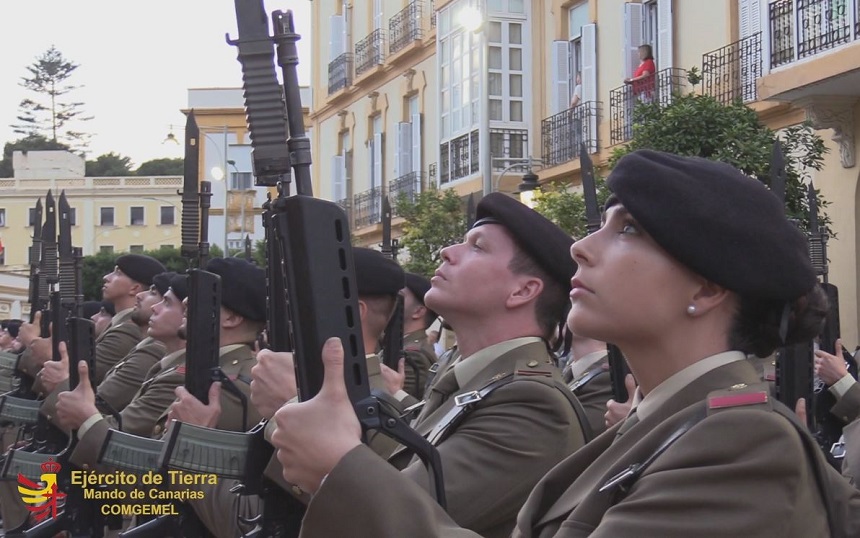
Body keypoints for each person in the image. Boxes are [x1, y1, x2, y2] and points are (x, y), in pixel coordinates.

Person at [270, 150, 860, 537]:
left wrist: (339, 470)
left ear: (705, 288)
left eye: (628, 230)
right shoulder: (666, 425)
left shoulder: (743, 442)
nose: (581, 246)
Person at [274, 193, 590, 538]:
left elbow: (392, 519)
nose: (448, 252)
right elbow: (393, 465)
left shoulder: (532, 406)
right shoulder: (470, 382)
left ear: (523, 290)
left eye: (477, 247)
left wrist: (298, 405)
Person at [399, 272, 439, 399]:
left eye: (399, 296)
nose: (391, 300)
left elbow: (401, 409)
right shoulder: (405, 345)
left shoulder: (412, 354)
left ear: (418, 311)